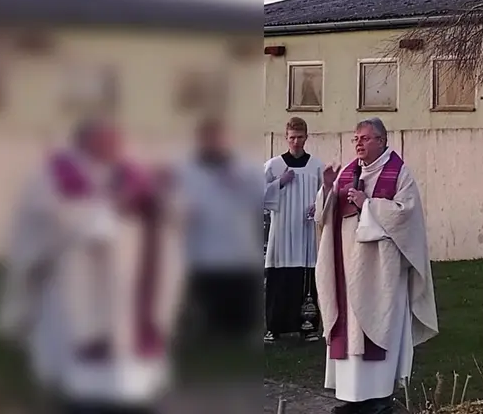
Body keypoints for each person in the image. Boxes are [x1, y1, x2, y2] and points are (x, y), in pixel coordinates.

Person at [0, 115, 187, 414]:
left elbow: (169, 218)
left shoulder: (133, 173)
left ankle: (136, 403)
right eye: (107, 141)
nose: (115, 147)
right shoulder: (53, 176)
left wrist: (161, 198)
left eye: (117, 141)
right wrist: (107, 212)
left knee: (135, 381)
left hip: (131, 293)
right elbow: (45, 223)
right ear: (84, 141)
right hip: (77, 293)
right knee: (83, 381)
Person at [314, 117, 438, 414]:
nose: (358, 143)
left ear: (382, 141)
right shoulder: (347, 172)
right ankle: (352, 397)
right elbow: (324, 217)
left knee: (379, 325)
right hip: (346, 267)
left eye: (366, 138)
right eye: (356, 138)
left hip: (382, 271)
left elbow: (406, 214)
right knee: (349, 330)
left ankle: (379, 398)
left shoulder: (399, 174)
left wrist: (367, 203)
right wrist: (328, 189)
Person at [177, 114, 262, 342]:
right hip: (204, 253)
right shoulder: (186, 171)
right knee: (208, 310)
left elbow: (259, 200)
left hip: (239, 251)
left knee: (239, 315)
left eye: (217, 137)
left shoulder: (244, 169)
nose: (213, 142)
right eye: (208, 138)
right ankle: (208, 337)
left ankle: (239, 337)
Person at [264, 116, 323, 342]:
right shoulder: (274, 166)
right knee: (279, 277)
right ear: (285, 138)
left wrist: (317, 207)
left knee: (306, 277)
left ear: (306, 137)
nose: (296, 142)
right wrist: (279, 182)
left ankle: (307, 326)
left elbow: (325, 194)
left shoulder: (316, 165)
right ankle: (274, 326)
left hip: (305, 230)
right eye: (292, 138)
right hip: (281, 230)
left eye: (300, 137)